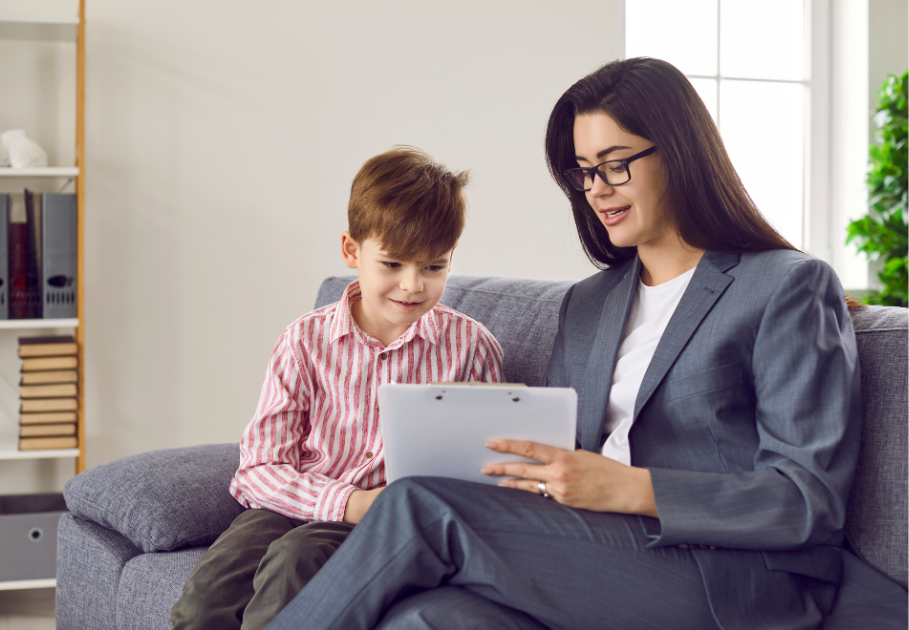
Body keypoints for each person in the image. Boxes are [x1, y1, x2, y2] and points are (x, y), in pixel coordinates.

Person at [263, 58, 908, 630]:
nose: (597, 188)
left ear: (680, 153)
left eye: (616, 165)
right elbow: (570, 459)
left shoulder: (785, 287)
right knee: (427, 617)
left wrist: (630, 488)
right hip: (596, 551)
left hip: (734, 575)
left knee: (417, 507)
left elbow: (806, 498)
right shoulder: (591, 304)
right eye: (584, 173)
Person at [169, 146, 505, 630]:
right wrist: (346, 502)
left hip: (385, 524)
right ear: (352, 251)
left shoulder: (472, 349)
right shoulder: (304, 341)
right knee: (203, 602)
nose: (412, 285)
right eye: (392, 264)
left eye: (434, 267)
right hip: (292, 504)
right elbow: (259, 468)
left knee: (295, 560)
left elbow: (482, 469)